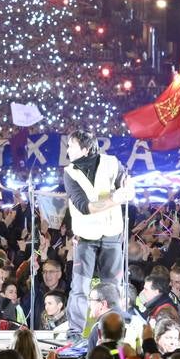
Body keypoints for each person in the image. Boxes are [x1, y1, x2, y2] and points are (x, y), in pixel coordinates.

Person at [62, 131, 132, 340]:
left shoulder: (111, 162)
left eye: (71, 146)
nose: (67, 150)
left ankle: (115, 328)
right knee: (80, 287)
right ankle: (75, 332)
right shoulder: (70, 172)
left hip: (111, 234)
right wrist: (115, 198)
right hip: (85, 237)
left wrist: (127, 190)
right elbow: (84, 206)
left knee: (112, 286)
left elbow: (128, 185)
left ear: (85, 149)